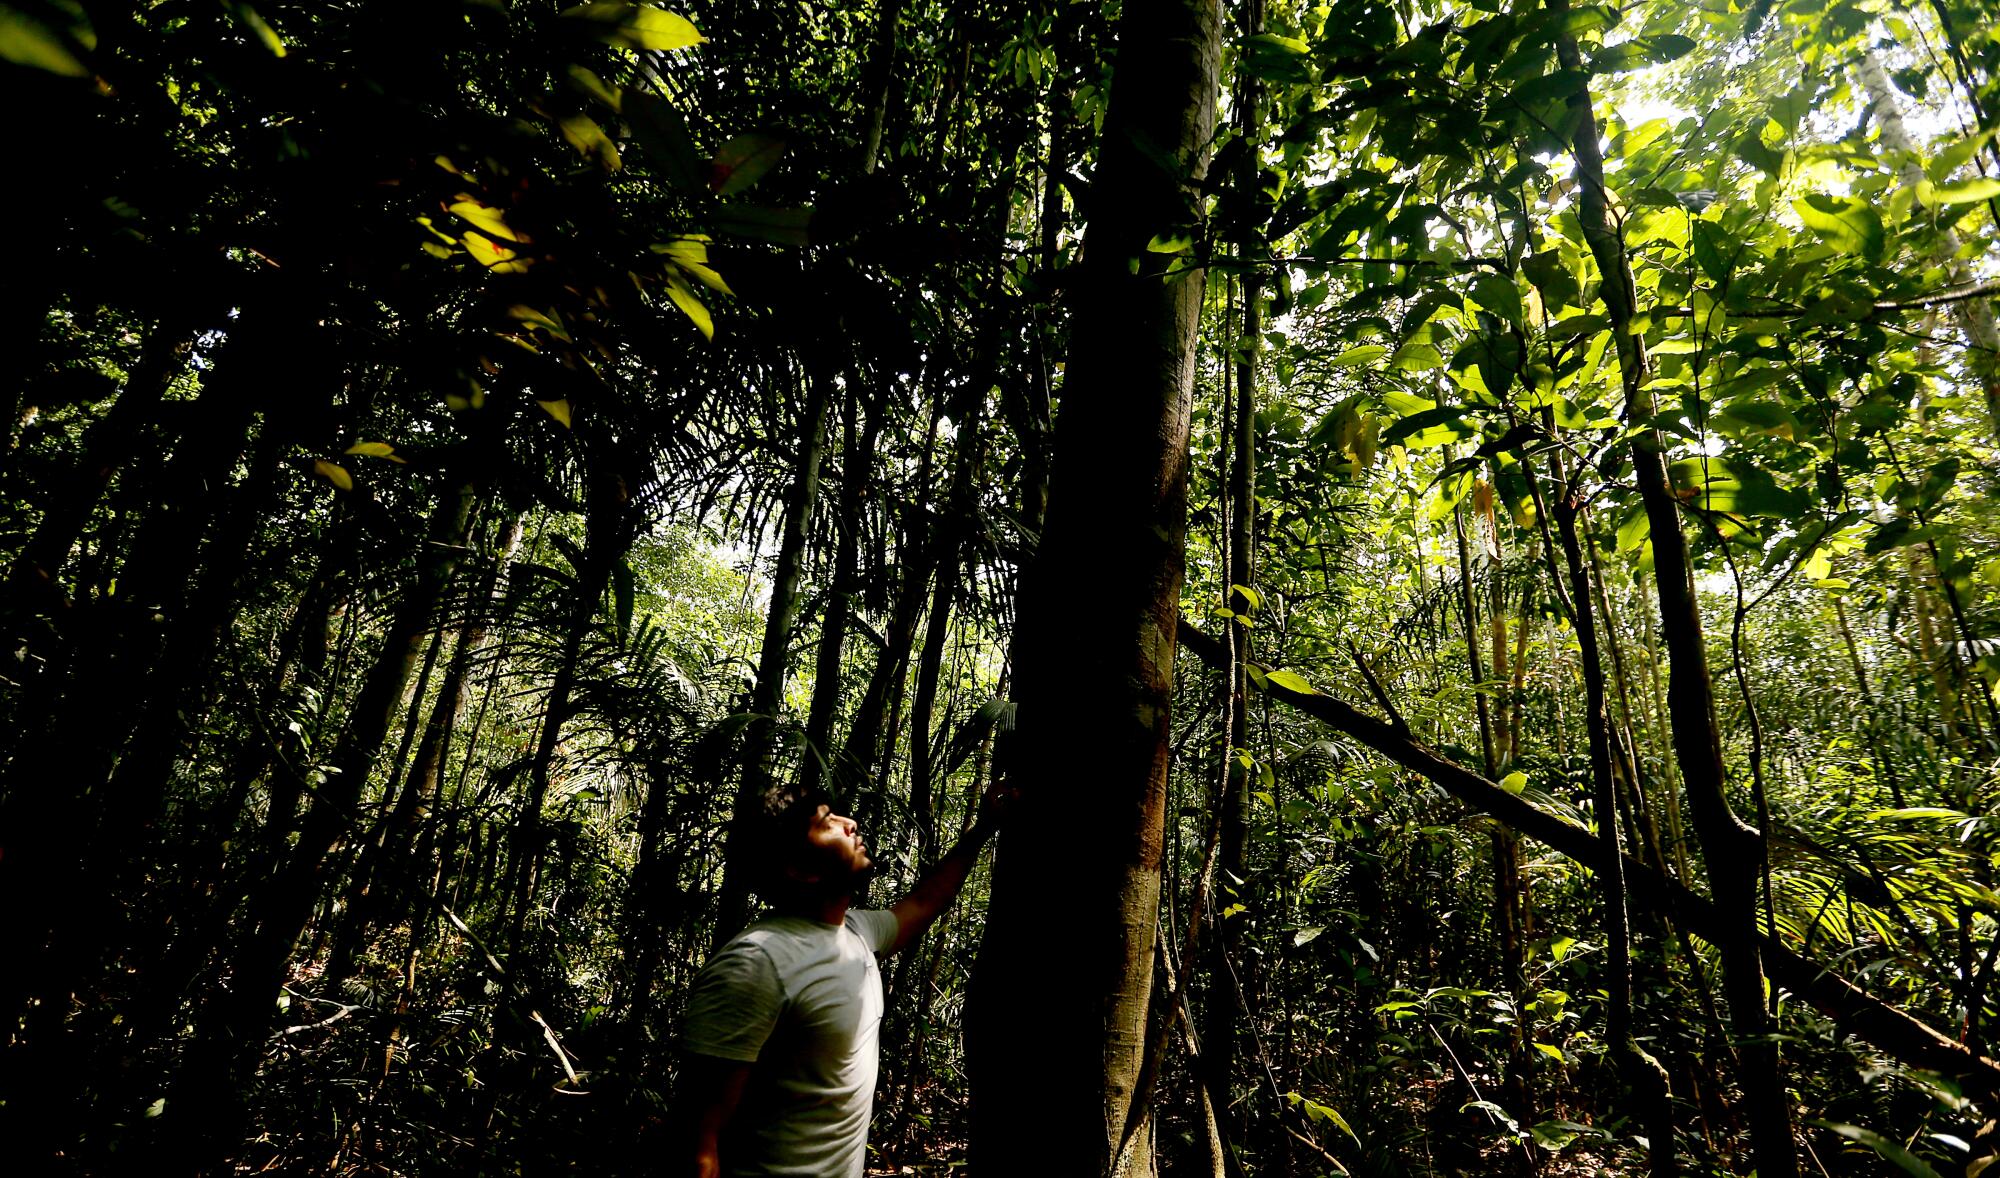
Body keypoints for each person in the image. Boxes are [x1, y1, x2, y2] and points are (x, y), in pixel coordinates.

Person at [675, 782, 1010, 1178]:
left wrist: (984, 828)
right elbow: (697, 1142)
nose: (850, 824)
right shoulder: (757, 961)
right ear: (797, 868)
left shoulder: (855, 934)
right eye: (826, 822)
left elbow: (923, 902)